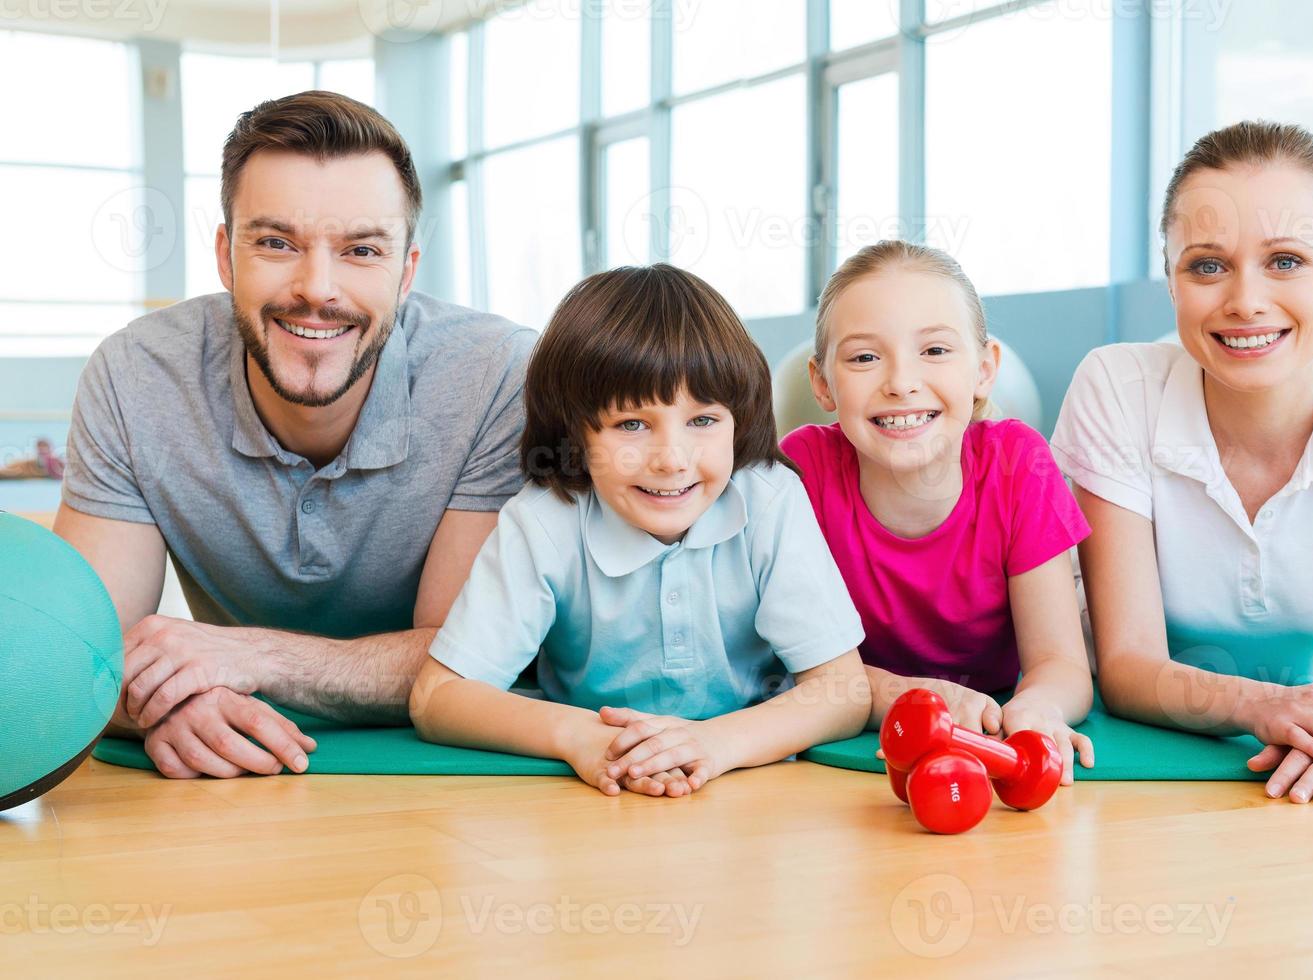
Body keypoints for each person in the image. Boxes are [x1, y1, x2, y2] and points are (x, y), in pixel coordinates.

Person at [55, 91, 535, 779]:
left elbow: (466, 657)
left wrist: (253, 658)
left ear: (406, 273)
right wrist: (164, 701)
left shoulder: (496, 375)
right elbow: (84, 655)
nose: (317, 288)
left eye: (362, 250)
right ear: (226, 257)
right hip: (229, 788)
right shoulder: (136, 376)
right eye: (276, 243)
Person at [1052, 120, 1313, 803]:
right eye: (1207, 265)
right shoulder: (1116, 386)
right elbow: (1128, 666)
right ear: (1170, 281)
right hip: (1150, 749)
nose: (1244, 299)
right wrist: (1266, 708)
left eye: (1284, 261)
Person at [410, 265, 870, 796]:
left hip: (752, 782)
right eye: (631, 425)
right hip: (593, 794)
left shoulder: (769, 498)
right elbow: (436, 698)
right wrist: (578, 735)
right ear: (575, 434)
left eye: (703, 421)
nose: (672, 461)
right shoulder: (543, 519)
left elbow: (843, 692)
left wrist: (712, 744)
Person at [783, 241, 1096, 784]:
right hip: (853, 741)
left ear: (984, 369)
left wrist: (1038, 709)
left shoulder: (1019, 464)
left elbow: (1061, 665)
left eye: (934, 351)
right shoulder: (799, 473)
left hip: (988, 720)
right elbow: (778, 667)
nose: (901, 382)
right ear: (821, 381)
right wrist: (912, 698)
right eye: (864, 357)